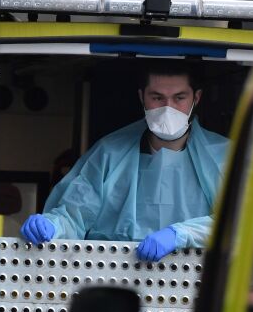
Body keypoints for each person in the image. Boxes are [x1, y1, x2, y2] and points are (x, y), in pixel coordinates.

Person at [20, 63, 229, 262]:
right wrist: (51, 225)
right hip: (111, 279)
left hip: (194, 288)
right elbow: (74, 215)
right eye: (157, 97)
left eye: (179, 98)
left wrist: (180, 234)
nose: (168, 108)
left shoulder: (225, 157)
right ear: (142, 97)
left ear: (197, 98)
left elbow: (241, 223)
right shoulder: (109, 153)